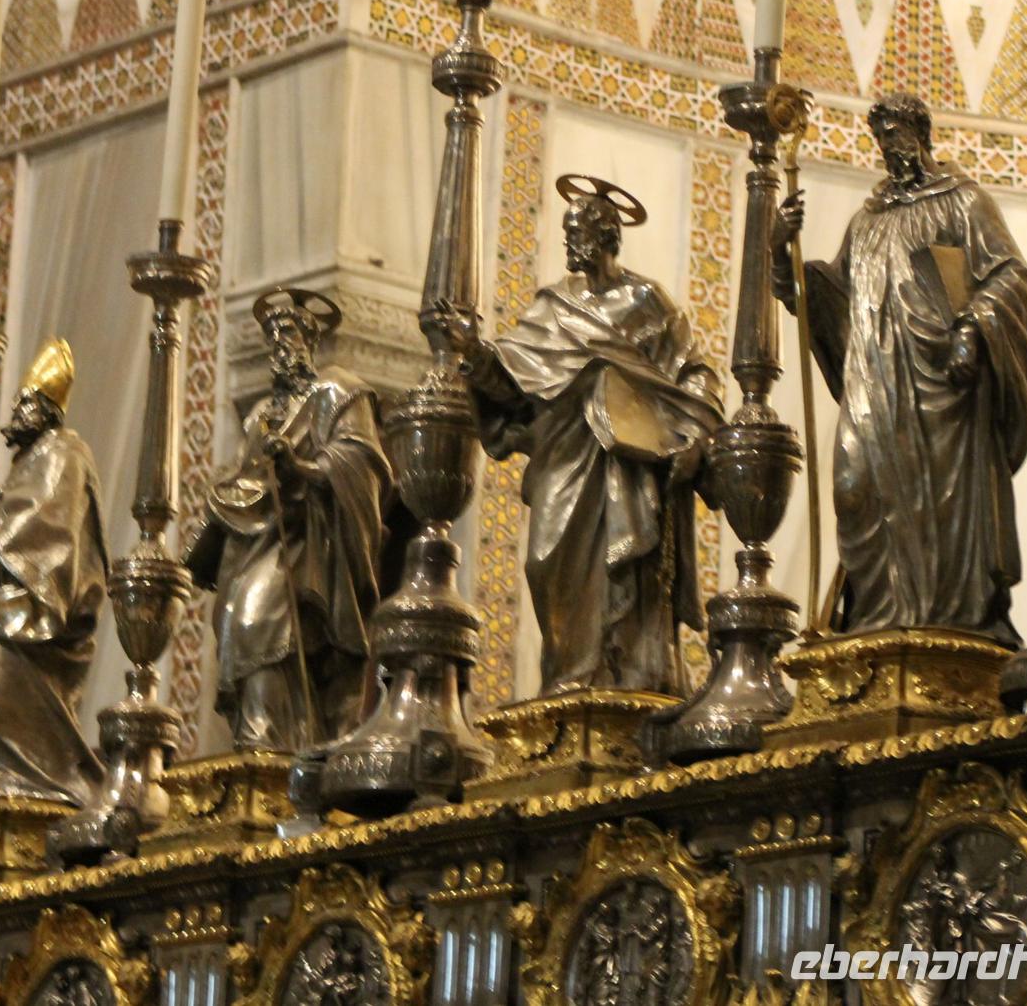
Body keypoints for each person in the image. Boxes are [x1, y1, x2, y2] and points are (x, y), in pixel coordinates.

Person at [443, 175, 724, 697]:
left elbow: (695, 374)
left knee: (629, 574)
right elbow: (512, 387)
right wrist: (475, 353)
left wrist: (692, 433)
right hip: (562, 458)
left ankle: (628, 684)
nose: (569, 239)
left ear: (607, 235)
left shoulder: (647, 302)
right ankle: (567, 682)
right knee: (545, 565)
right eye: (567, 230)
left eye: (578, 230)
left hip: (628, 465)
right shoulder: (551, 308)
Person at [776, 93, 1027, 645]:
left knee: (945, 510)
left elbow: (1012, 276)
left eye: (896, 133)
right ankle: (874, 619)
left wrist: (972, 329)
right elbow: (830, 297)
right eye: (881, 138)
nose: (888, 147)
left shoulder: (965, 202)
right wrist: (784, 254)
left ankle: (952, 627)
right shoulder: (867, 220)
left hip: (945, 391)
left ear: (921, 134)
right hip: (875, 386)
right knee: (854, 487)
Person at [185, 289, 392, 751]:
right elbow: (247, 479)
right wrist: (221, 507)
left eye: (289, 334)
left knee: (257, 617)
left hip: (310, 544)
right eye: (272, 338)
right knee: (234, 616)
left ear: (310, 341)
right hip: (257, 542)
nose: (280, 345)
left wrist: (301, 468)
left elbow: (361, 463)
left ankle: (268, 741)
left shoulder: (336, 394)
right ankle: (265, 739)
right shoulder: (260, 416)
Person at [0, 338, 108, 806]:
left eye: (25, 404)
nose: (15, 413)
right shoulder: (30, 461)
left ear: (46, 411)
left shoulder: (63, 452)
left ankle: (51, 783)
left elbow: (41, 524)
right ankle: (8, 781)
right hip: (7, 601)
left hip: (36, 609)